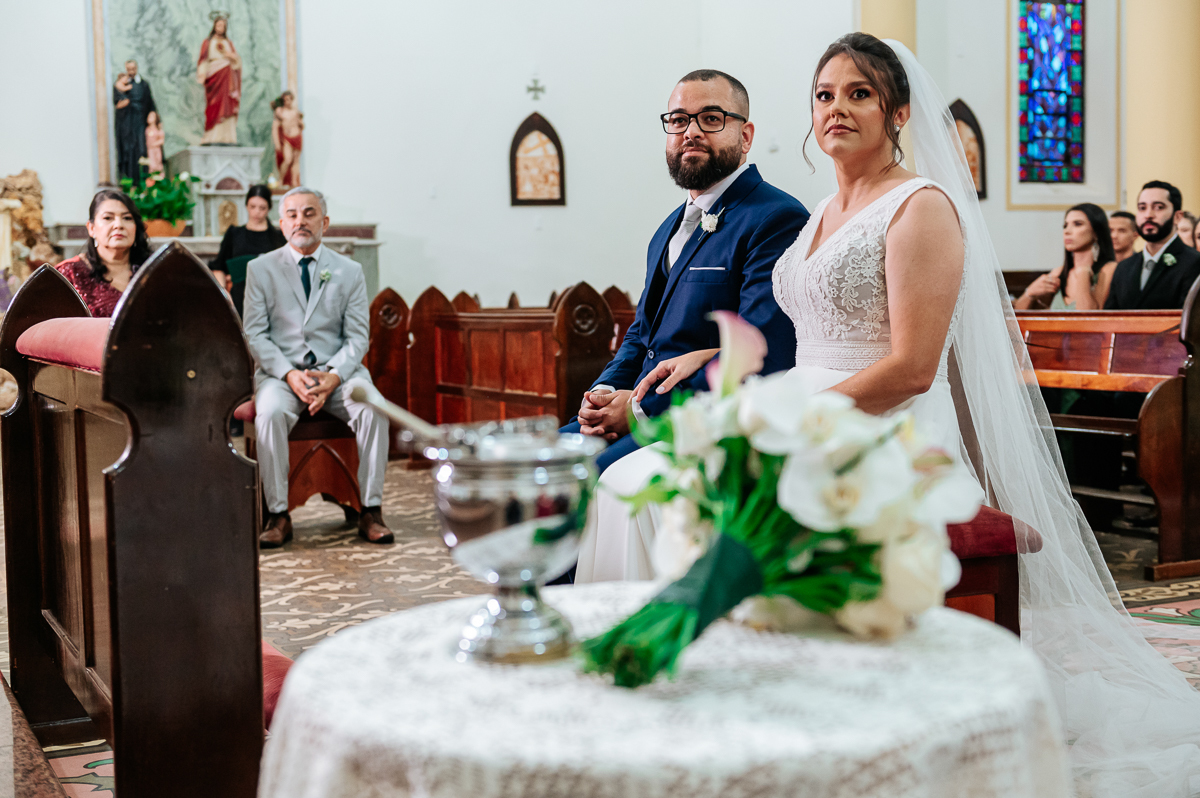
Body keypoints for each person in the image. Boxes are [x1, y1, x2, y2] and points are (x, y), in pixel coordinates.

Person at [585, 33, 1200, 795]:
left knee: (675, 493)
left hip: (886, 428)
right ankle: (668, 703)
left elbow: (912, 368)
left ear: (898, 111)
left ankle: (745, 703)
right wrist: (706, 367)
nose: (836, 108)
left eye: (859, 93)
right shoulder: (817, 215)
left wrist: (784, 422)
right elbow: (798, 338)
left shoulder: (921, 207)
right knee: (629, 487)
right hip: (811, 409)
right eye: (823, 95)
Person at [564, 69, 808, 476]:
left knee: (578, 483)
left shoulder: (775, 218)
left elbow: (760, 352)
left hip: (698, 424)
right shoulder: (668, 228)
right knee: (526, 469)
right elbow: (642, 333)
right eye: (678, 120)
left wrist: (639, 409)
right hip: (632, 412)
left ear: (745, 136)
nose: (690, 131)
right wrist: (603, 394)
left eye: (711, 119)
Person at [242, 186, 393, 548]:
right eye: (292, 214)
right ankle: (277, 514)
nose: (301, 221)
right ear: (281, 224)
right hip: (282, 375)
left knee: (375, 408)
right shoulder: (260, 269)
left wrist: (334, 376)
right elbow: (255, 334)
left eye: (309, 213)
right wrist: (289, 374)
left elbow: (358, 337)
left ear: (324, 222)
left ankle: (371, 509)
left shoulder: (349, 270)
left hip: (339, 375)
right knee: (270, 414)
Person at [1104, 181, 1200, 309]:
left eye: (1159, 207)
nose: (1148, 215)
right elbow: (1110, 317)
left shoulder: (1194, 262)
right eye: (1142, 208)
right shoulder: (1124, 267)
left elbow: (1189, 320)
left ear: (1177, 217)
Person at [55, 189, 152, 316]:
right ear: (91, 228)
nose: (118, 225)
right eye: (108, 218)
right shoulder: (68, 274)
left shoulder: (152, 271)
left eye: (127, 218)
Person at [1013, 203, 1117, 309]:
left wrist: (1083, 273)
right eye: (1065, 226)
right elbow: (1016, 318)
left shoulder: (1109, 270)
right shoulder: (1058, 273)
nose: (1067, 231)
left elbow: (1087, 318)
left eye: (1077, 224)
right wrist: (1030, 293)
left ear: (1096, 232)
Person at [210, 185, 286, 317]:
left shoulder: (279, 237)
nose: (257, 212)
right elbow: (219, 267)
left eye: (262, 208)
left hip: (272, 298)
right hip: (240, 297)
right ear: (246, 206)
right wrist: (224, 294)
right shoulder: (234, 234)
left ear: (269, 209)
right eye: (252, 207)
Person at [197, 14, 241, 145]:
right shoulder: (208, 42)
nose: (220, 28)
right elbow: (203, 60)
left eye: (223, 26)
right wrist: (202, 73)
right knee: (214, 105)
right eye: (218, 25)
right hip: (214, 76)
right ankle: (212, 134)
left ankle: (227, 136)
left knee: (227, 103)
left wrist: (230, 56)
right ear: (214, 26)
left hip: (227, 75)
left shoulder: (229, 43)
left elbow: (237, 62)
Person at [113, 60, 156, 182]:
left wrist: (154, 116)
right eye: (129, 69)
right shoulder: (121, 85)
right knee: (128, 151)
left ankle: (143, 181)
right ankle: (128, 181)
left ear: (136, 68)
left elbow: (150, 103)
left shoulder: (144, 85)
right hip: (127, 123)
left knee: (142, 149)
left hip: (140, 121)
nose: (131, 71)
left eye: (133, 68)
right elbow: (117, 102)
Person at [272, 91, 304, 189]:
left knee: (296, 161)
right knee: (288, 159)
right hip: (287, 138)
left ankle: (294, 181)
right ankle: (281, 179)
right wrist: (277, 143)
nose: (288, 102)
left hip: (297, 136)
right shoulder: (280, 111)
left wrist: (300, 124)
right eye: (286, 100)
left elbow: (301, 125)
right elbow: (275, 127)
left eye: (290, 99)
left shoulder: (295, 111)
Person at [144, 110, 165, 175]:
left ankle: (159, 180)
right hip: (150, 150)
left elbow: (161, 140)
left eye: (151, 116)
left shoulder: (158, 129)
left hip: (156, 150)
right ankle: (152, 181)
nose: (149, 118)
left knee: (158, 164)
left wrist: (154, 144)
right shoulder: (147, 129)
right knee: (151, 165)